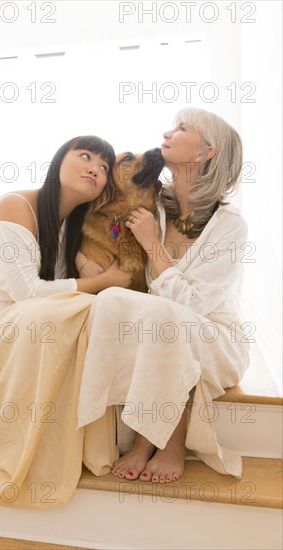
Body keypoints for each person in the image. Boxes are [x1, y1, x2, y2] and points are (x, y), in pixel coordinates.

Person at [0, 135, 132, 509]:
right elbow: (27, 293)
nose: (94, 169)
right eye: (85, 156)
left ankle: (75, 443)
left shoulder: (74, 224)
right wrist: (100, 282)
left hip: (30, 323)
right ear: (59, 160)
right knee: (71, 309)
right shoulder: (16, 206)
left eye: (103, 168)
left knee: (89, 309)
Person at [77, 107, 251, 483]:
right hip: (162, 328)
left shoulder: (230, 225)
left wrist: (154, 248)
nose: (167, 133)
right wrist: (78, 256)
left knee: (163, 315)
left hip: (214, 337)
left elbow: (194, 306)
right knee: (109, 300)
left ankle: (159, 440)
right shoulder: (152, 205)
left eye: (181, 128)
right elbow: (93, 211)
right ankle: (144, 432)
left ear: (205, 152)